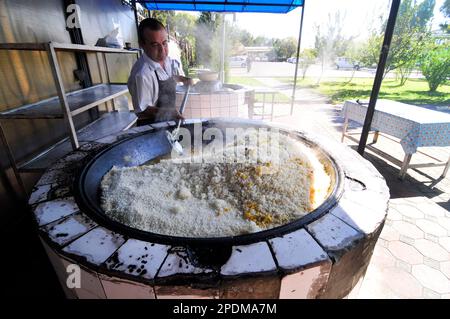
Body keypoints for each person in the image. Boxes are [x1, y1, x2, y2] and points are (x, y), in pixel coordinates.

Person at [128, 18, 193, 125]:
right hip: (151, 127)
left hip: (167, 122)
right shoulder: (142, 74)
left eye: (164, 43)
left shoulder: (166, 61)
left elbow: (168, 78)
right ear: (142, 44)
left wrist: (183, 78)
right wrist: (168, 112)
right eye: (155, 45)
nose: (162, 50)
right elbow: (142, 110)